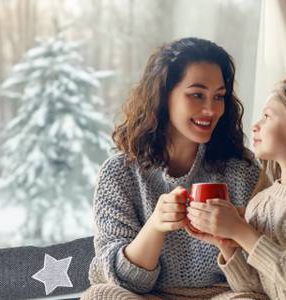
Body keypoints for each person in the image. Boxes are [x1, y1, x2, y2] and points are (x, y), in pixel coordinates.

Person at [80, 37, 260, 300]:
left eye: (219, 96)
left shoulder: (242, 169)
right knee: (100, 295)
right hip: (148, 296)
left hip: (222, 295)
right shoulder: (119, 173)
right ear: (164, 96)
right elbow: (117, 278)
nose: (211, 109)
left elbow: (257, 281)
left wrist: (230, 238)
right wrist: (155, 225)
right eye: (197, 95)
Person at [186, 80, 286, 300]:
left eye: (268, 116)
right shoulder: (261, 203)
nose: (255, 125)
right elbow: (252, 289)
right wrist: (227, 244)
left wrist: (243, 233)